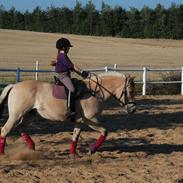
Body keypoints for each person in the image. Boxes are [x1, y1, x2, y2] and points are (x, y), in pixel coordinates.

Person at [51, 38, 89, 118]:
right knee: (72, 89)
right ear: (64, 47)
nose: (69, 49)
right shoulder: (63, 56)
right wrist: (82, 72)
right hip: (63, 76)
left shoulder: (60, 55)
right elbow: (72, 66)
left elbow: (66, 64)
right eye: (68, 47)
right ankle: (70, 110)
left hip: (64, 75)